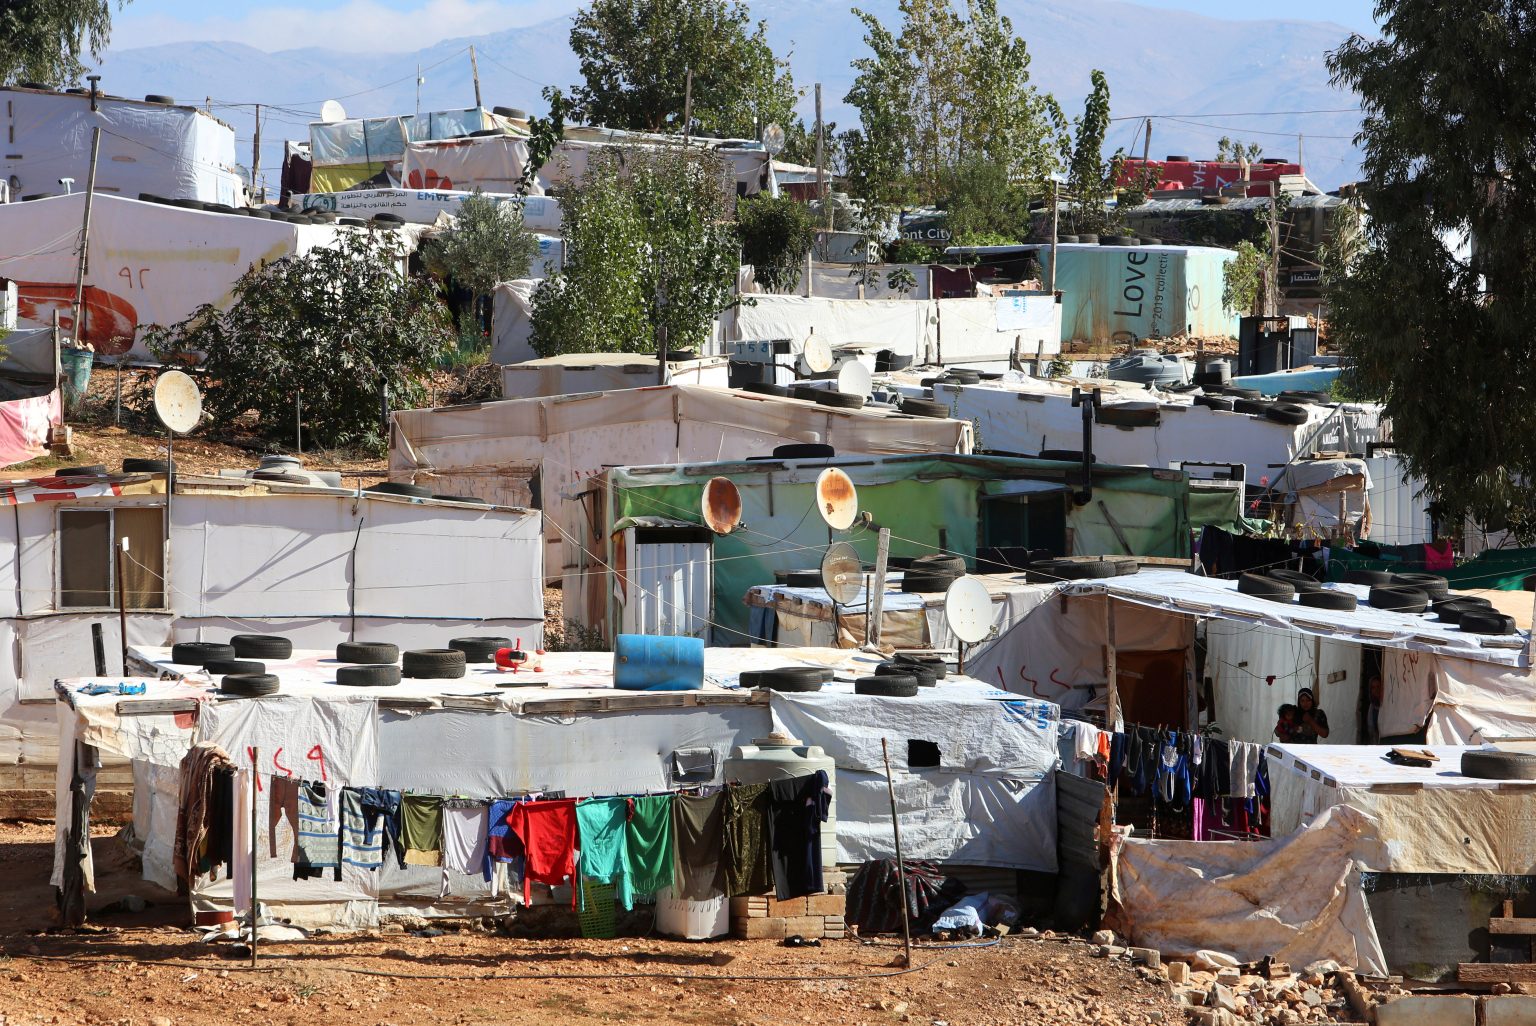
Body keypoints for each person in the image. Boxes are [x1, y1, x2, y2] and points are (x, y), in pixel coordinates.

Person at [1366, 674, 1383, 744]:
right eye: (1373, 687)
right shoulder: (1372, 707)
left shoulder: (1387, 705)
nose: (1376, 690)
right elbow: (1371, 730)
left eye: (1378, 686)